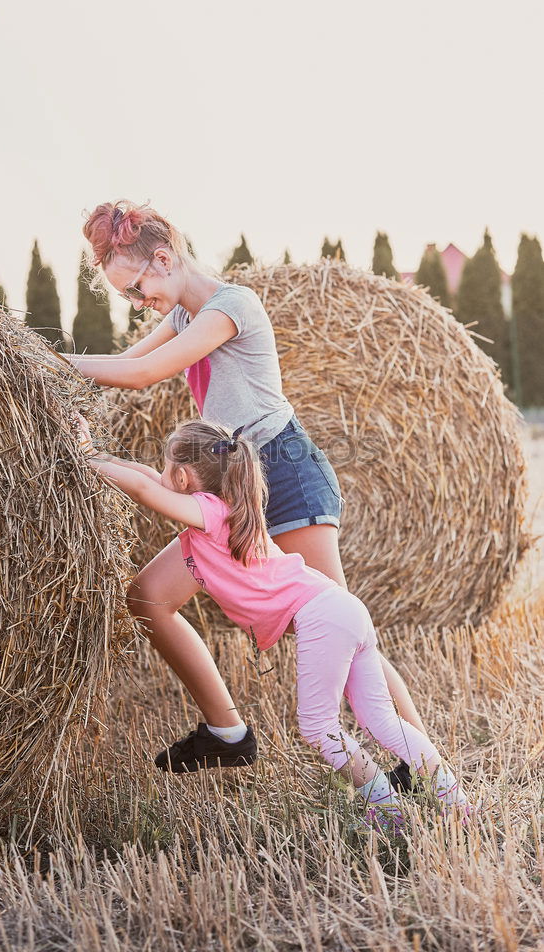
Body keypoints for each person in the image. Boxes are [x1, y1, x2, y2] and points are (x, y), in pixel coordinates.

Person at [70, 199, 426, 782]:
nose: (138, 303)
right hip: (232, 483)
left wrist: (45, 362)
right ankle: (227, 732)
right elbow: (124, 359)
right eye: (128, 297)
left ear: (163, 258)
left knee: (344, 624)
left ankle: (423, 764)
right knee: (148, 598)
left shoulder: (232, 306)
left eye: (136, 289)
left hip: (284, 472)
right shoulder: (184, 317)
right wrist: (45, 375)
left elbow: (141, 374)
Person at [76, 416, 470, 823]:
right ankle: (455, 802)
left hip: (322, 616)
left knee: (319, 728)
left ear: (180, 476)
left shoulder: (209, 514)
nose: (160, 474)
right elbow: (146, 477)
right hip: (341, 606)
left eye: (167, 467)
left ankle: (387, 809)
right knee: (381, 719)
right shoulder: (231, 505)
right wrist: (94, 454)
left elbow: (142, 486)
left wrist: (82, 457)